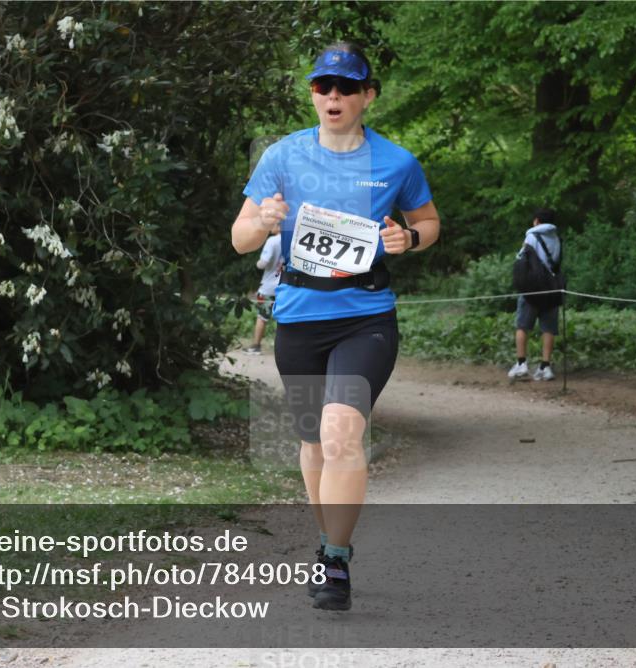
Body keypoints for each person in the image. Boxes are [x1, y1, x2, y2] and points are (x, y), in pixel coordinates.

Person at [231, 42, 440, 610]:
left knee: (343, 432)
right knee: (314, 443)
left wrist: (409, 238)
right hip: (299, 317)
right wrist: (263, 221)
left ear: (367, 96)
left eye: (347, 87)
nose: (334, 96)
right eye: (324, 86)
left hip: (366, 317)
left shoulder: (396, 162)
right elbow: (240, 236)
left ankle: (336, 561)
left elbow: (427, 221)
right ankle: (328, 542)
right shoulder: (282, 156)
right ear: (312, 94)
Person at [508, 208, 561, 381]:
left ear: (537, 221)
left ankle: (521, 364)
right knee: (549, 328)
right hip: (552, 288)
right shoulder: (557, 238)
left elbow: (521, 259)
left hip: (532, 289)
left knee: (523, 326)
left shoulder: (532, 236)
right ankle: (545, 367)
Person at [243, 228, 282, 355]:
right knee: (283, 319)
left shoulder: (272, 241)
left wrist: (257, 264)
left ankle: (256, 346)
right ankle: (282, 350)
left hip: (268, 288)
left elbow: (264, 263)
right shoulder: (293, 240)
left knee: (262, 317)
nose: (270, 226)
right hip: (286, 288)